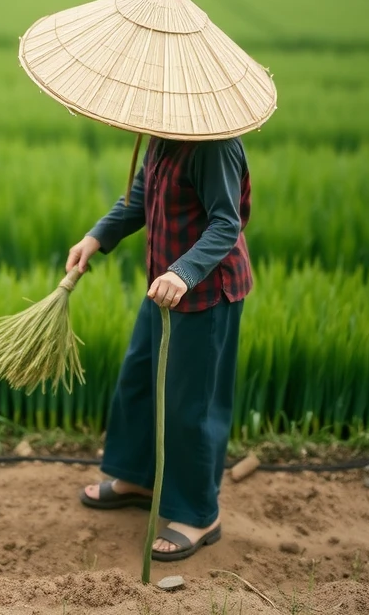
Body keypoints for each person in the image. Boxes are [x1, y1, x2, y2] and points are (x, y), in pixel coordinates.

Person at [68, 134, 252, 562]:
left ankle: (198, 513)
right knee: (139, 379)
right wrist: (97, 236)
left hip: (203, 292)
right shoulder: (163, 134)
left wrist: (184, 272)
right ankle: (141, 477)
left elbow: (226, 222)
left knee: (191, 405)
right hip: (163, 287)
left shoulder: (213, 146)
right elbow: (139, 195)